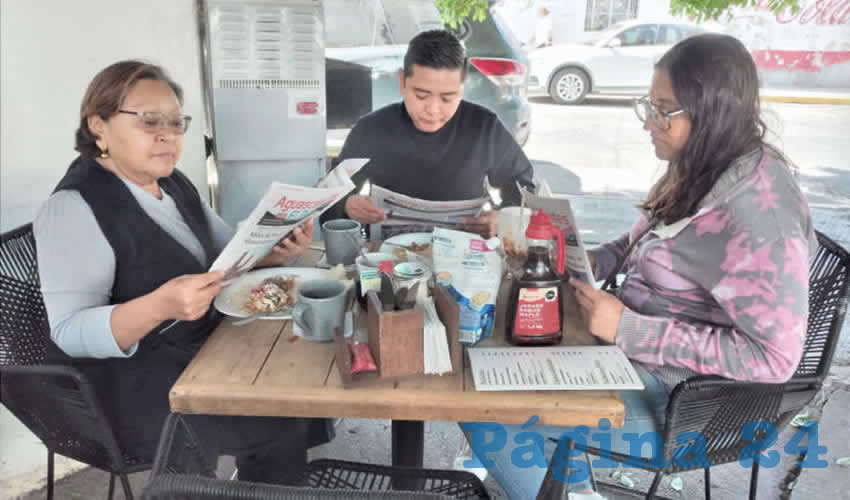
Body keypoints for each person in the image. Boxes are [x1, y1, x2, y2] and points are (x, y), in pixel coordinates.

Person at [463, 34, 816, 500]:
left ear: (712, 113)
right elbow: (646, 240)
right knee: (495, 353)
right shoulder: (702, 162)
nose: (649, 123)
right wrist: (593, 259)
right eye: (648, 106)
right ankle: (573, 490)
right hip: (631, 360)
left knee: (482, 405)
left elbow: (774, 358)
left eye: (663, 110)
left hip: (686, 406)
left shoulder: (761, 216)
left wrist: (629, 329)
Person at [33, 60, 333, 484]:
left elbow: (224, 253)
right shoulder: (74, 208)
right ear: (98, 126)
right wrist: (160, 305)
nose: (167, 135)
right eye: (148, 121)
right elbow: (69, 331)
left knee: (299, 378)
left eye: (176, 123)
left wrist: (274, 251)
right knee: (275, 414)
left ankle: (260, 485)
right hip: (129, 385)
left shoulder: (171, 183)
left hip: (195, 348)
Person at [320, 30, 535, 239]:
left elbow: (523, 188)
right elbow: (326, 200)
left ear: (462, 88)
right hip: (387, 260)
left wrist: (503, 219)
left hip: (466, 260)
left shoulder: (484, 128)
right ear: (402, 82)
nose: (433, 110)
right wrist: (347, 205)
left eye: (447, 98)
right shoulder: (371, 130)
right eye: (421, 95)